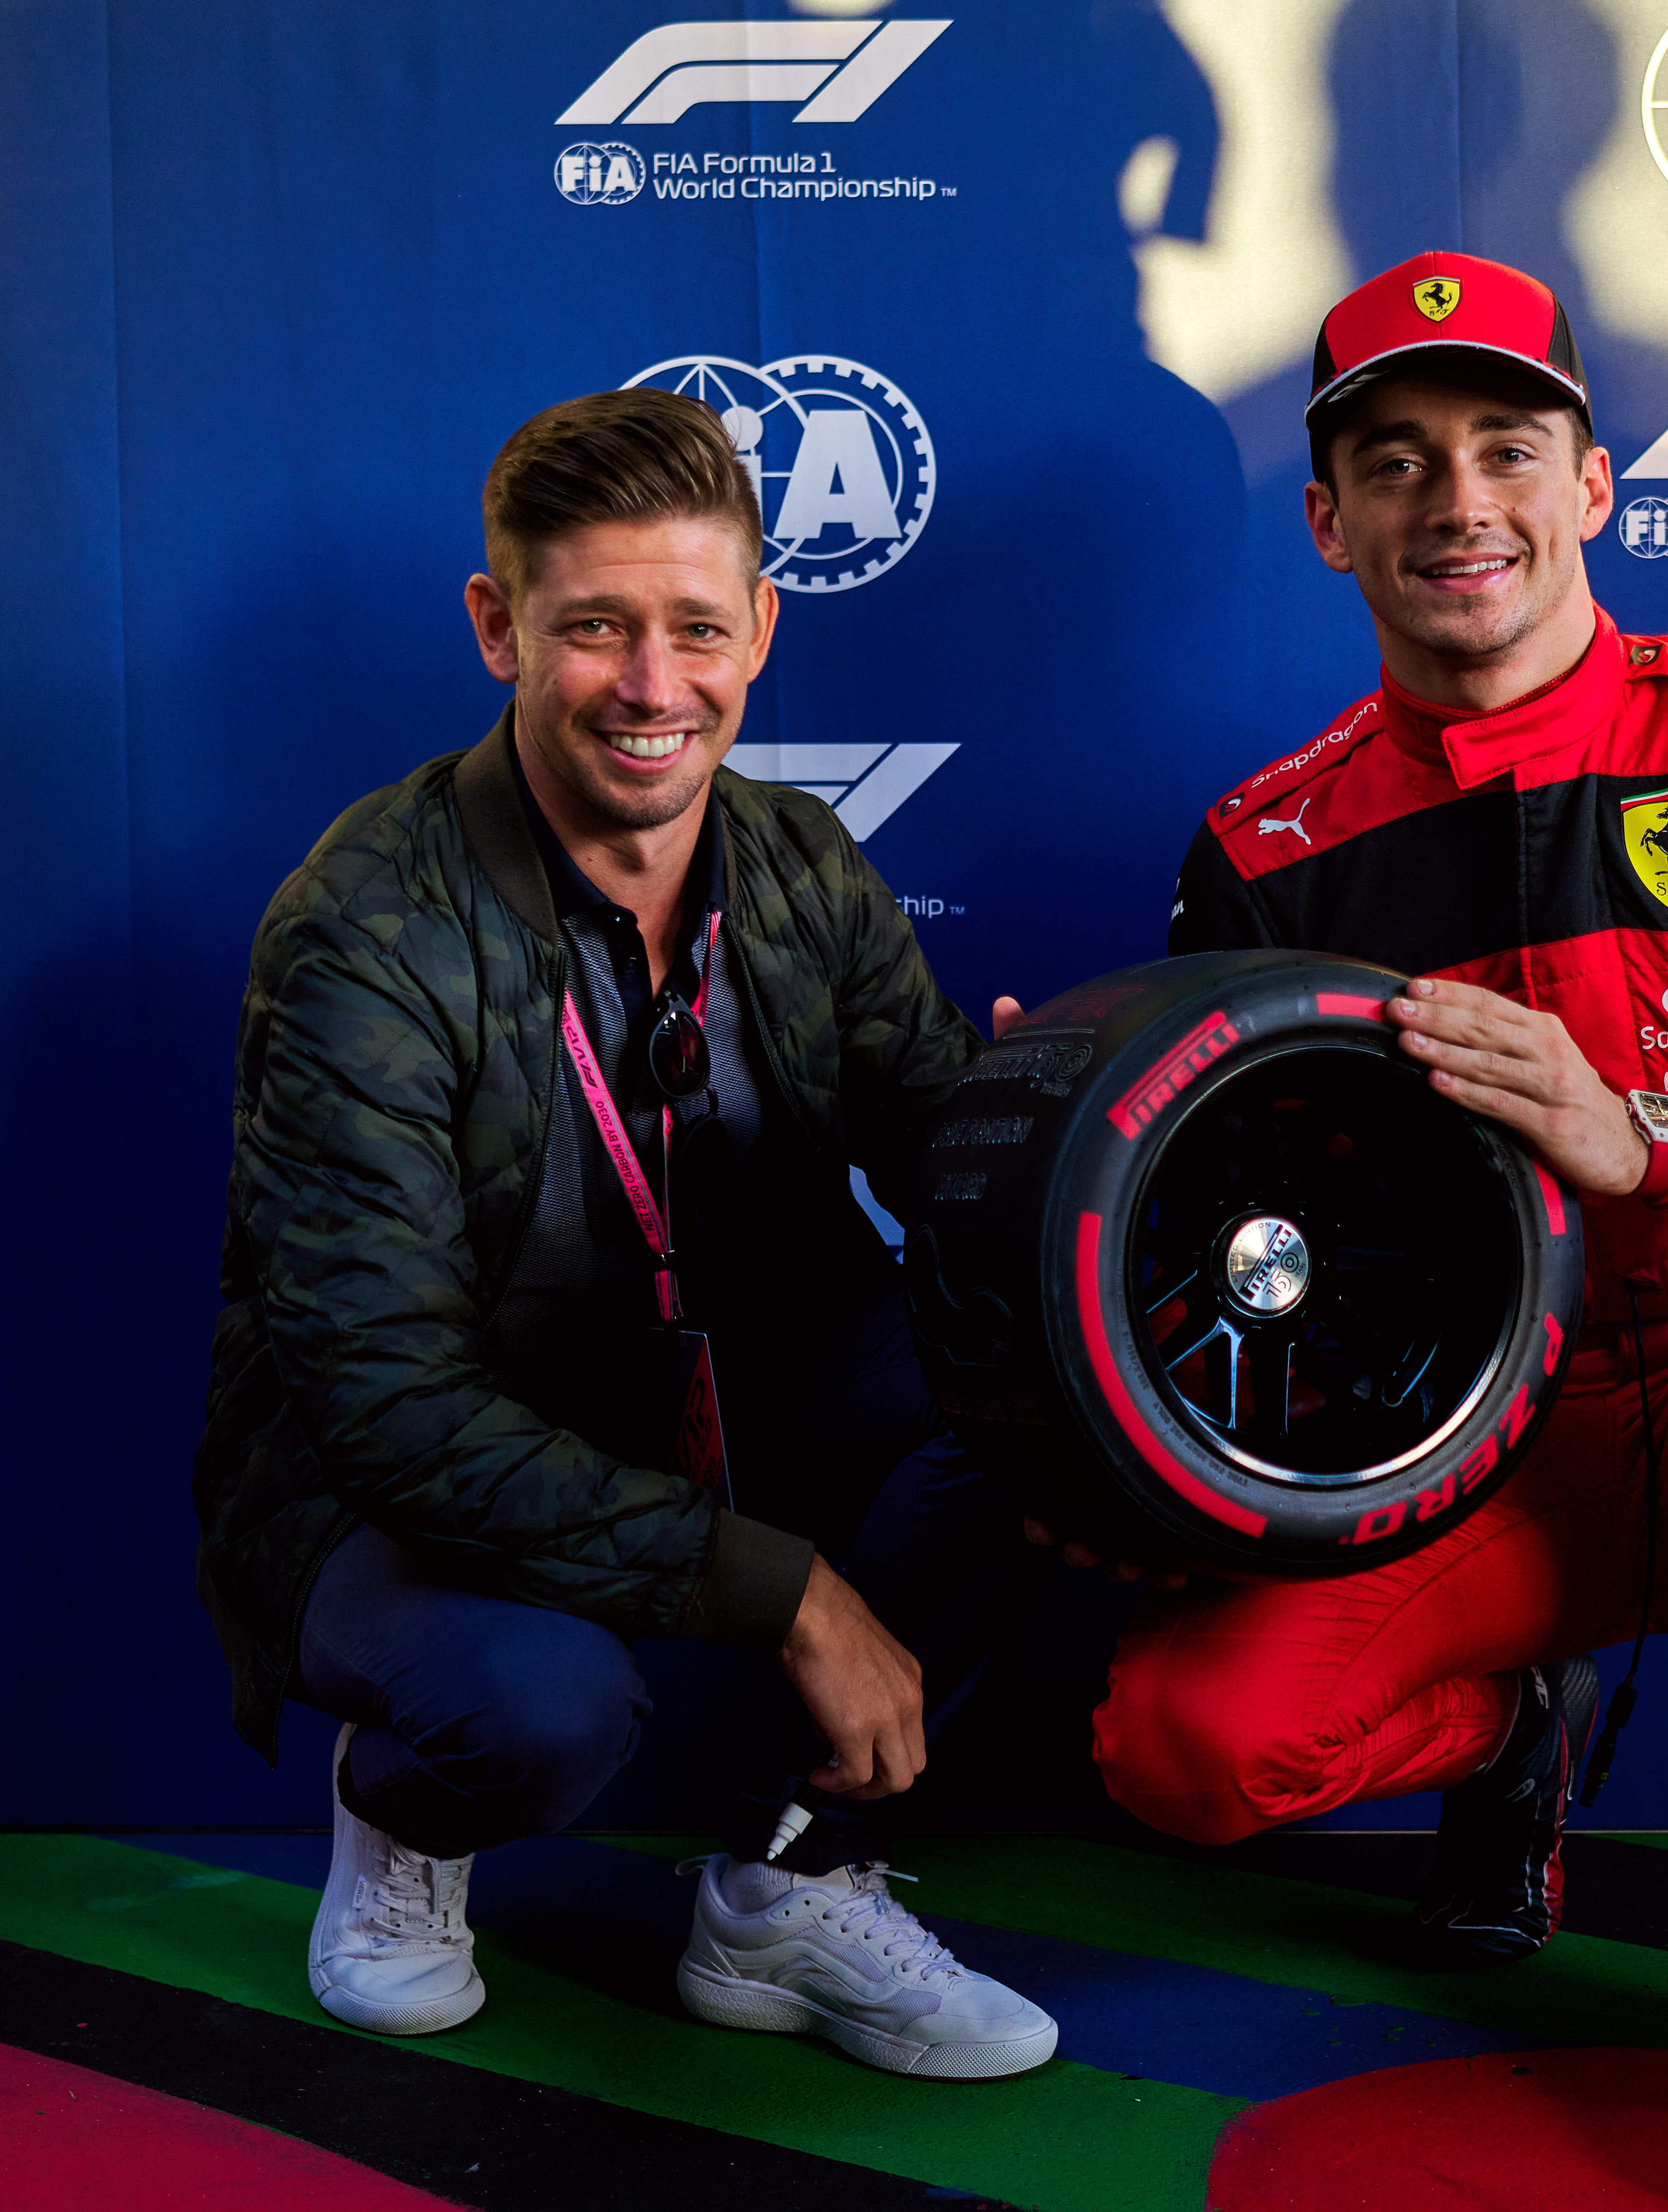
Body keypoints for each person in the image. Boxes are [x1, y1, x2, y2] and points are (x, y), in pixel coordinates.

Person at [1085, 253, 1668, 2206]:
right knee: (1180, 1757)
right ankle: (1516, 1723)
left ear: (1592, 487)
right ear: (1328, 517)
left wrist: (1654, 1139)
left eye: (1508, 448)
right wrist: (1053, 1134)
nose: (1461, 504)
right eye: (1399, 460)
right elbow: (1211, 1220)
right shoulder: (1264, 850)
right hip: (1491, 1475)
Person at [195, 387, 1056, 2081]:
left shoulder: (802, 863)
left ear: (763, 632)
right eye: (595, 628)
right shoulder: (365, 927)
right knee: (544, 1714)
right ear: (498, 627)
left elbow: (945, 1142)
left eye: (695, 629)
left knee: (1052, 1388)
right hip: (406, 1471)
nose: (655, 689)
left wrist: (1042, 1132)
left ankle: (790, 1891)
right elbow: (384, 1401)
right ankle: (395, 1828)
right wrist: (790, 1594)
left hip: (725, 1395)